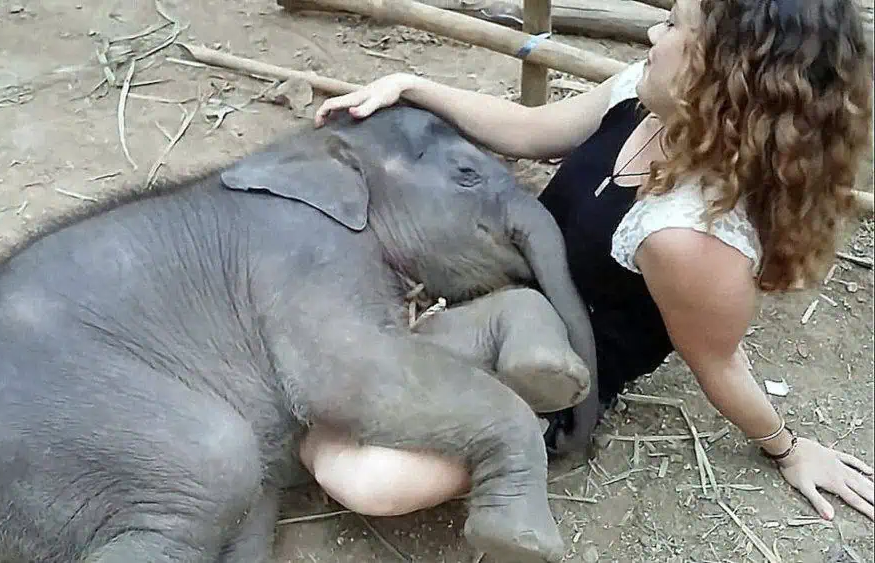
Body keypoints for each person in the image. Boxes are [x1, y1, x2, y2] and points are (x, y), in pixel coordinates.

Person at [296, 0, 875, 524]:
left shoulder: (689, 236)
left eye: (673, 26)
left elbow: (719, 362)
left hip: (552, 376)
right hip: (488, 294)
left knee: (371, 482)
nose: (652, 31)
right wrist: (410, 85)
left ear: (725, 74)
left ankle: (299, 409)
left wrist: (788, 448)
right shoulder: (642, 100)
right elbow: (528, 130)